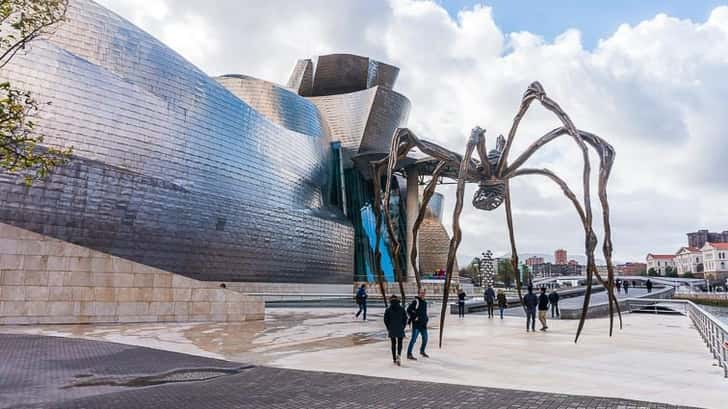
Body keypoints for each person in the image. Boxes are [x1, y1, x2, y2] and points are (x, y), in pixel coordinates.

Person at [384, 295, 408, 366]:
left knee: (393, 343)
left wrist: (389, 327)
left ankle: (394, 358)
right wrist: (403, 326)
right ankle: (399, 355)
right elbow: (405, 318)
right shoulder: (402, 308)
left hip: (392, 328)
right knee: (400, 342)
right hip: (400, 327)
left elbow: (386, 320)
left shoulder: (388, 309)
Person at [406, 288, 429, 360]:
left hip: (423, 324)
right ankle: (409, 354)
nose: (423, 294)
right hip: (416, 325)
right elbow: (408, 310)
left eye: (424, 293)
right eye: (421, 293)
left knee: (425, 338)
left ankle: (422, 351)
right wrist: (415, 317)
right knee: (413, 340)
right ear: (418, 293)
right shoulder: (415, 301)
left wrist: (426, 318)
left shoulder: (424, 302)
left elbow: (423, 312)